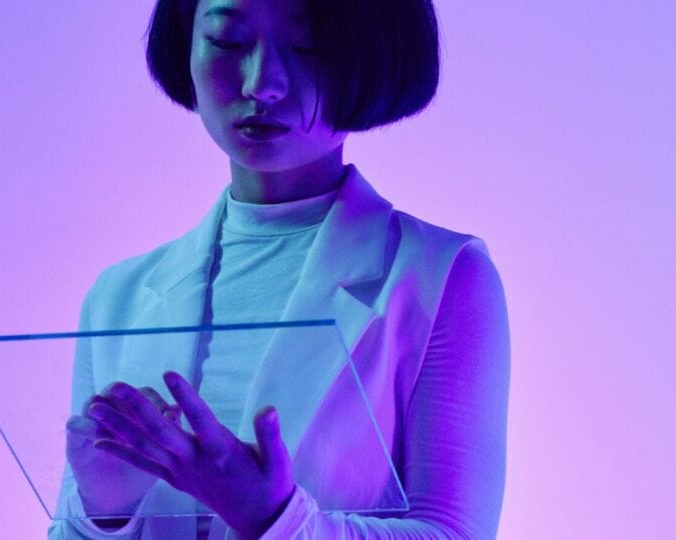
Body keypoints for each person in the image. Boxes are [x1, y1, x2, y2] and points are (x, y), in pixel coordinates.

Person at [47, 0, 510, 538]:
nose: (261, 83)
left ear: (376, 52)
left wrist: (277, 519)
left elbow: (456, 532)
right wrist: (104, 509)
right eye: (226, 40)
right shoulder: (117, 296)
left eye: (308, 44)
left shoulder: (443, 276)